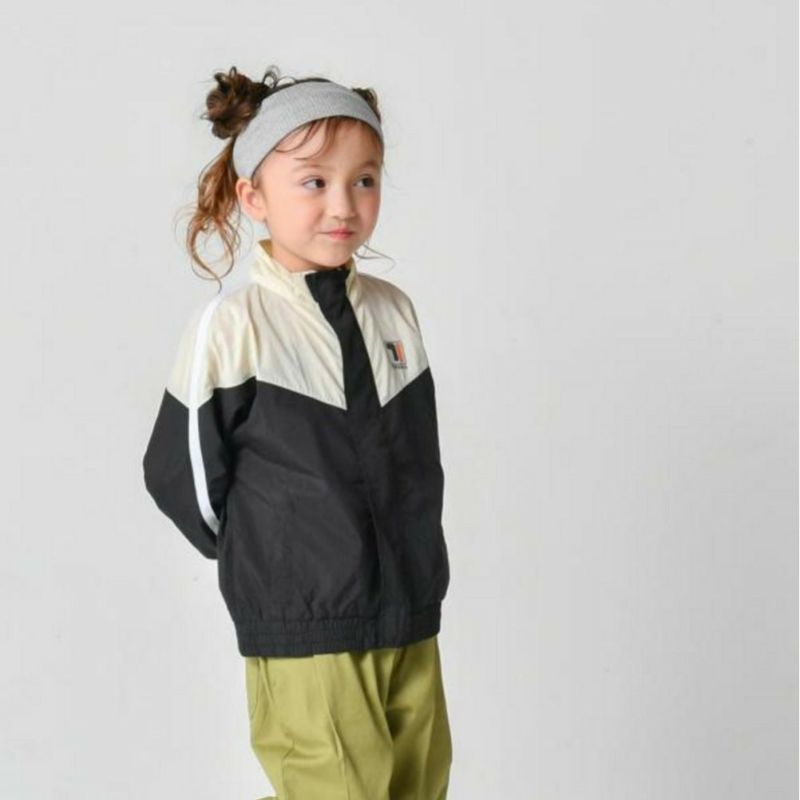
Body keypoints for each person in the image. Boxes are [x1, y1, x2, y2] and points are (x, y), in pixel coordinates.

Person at [142, 65, 452, 800]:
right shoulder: (236, 327)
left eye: (364, 180)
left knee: (418, 786)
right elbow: (178, 473)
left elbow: (416, 460)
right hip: (306, 618)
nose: (343, 204)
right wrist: (273, 553)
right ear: (254, 196)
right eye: (314, 182)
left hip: (408, 609)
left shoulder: (394, 312)